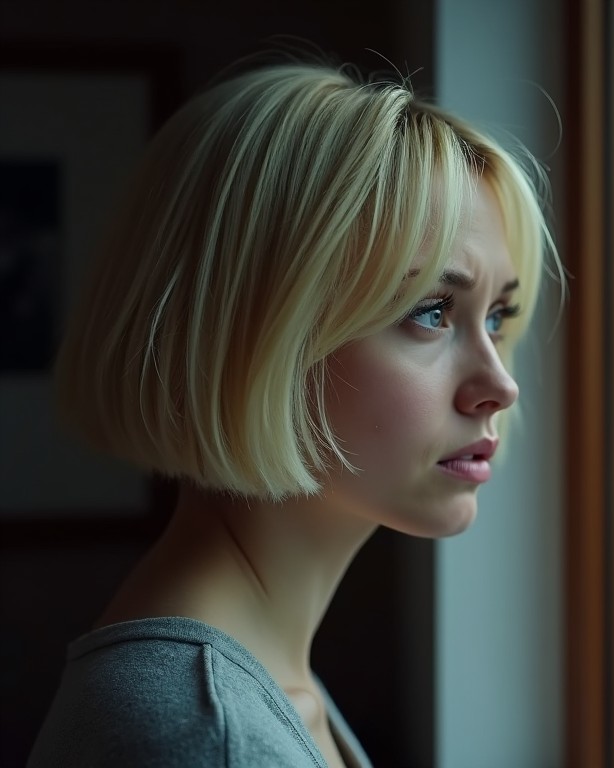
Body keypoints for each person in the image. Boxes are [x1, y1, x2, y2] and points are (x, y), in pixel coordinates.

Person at [28, 57, 561, 768]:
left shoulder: (252, 681)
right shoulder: (209, 736)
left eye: (497, 315)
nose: (499, 384)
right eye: (431, 311)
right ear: (253, 334)